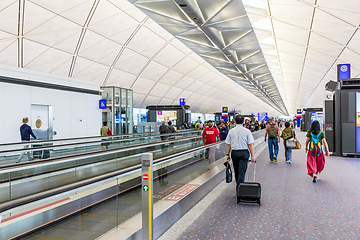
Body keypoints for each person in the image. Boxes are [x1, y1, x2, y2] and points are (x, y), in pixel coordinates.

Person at [225, 115, 255, 190]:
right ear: (243, 122)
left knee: (236, 170)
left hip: (234, 153)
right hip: (244, 153)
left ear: (235, 121)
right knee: (242, 171)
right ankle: (240, 188)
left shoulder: (231, 131)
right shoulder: (247, 131)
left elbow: (228, 144)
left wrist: (227, 154)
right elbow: (250, 144)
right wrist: (252, 156)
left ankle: (238, 186)